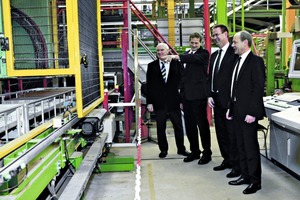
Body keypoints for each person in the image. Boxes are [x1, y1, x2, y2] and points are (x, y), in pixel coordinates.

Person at [226, 31, 265, 194]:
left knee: (250, 147)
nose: (233, 45)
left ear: (245, 43)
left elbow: (257, 88)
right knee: (240, 145)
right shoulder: (237, 61)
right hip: (236, 110)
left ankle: (255, 181)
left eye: (235, 42)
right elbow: (234, 88)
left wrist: (252, 112)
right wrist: (230, 107)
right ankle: (245, 174)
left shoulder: (255, 61)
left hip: (248, 112)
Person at [168, 32, 212, 164]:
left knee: (202, 125)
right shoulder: (187, 54)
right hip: (186, 97)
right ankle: (195, 151)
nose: (194, 45)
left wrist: (177, 57)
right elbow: (182, 77)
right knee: (190, 125)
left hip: (198, 96)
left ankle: (207, 152)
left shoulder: (203, 54)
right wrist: (181, 98)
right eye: (192, 43)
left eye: (196, 43)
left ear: (201, 43)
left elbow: (195, 59)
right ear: (189, 42)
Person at [146, 43, 190, 158]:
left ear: (168, 51)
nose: (160, 52)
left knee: (178, 126)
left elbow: (182, 81)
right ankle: (163, 150)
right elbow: (149, 85)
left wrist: (181, 100)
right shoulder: (152, 66)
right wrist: (149, 102)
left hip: (174, 101)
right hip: (159, 102)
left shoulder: (176, 63)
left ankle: (181, 149)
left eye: (162, 50)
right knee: (161, 127)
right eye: (158, 50)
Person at [208, 24, 240, 177]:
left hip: (229, 101)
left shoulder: (234, 53)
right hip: (216, 100)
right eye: (213, 35)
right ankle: (226, 159)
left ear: (226, 34)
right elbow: (211, 78)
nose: (215, 38)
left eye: (217, 35)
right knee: (220, 132)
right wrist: (209, 95)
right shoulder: (214, 55)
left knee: (231, 133)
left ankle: (236, 164)